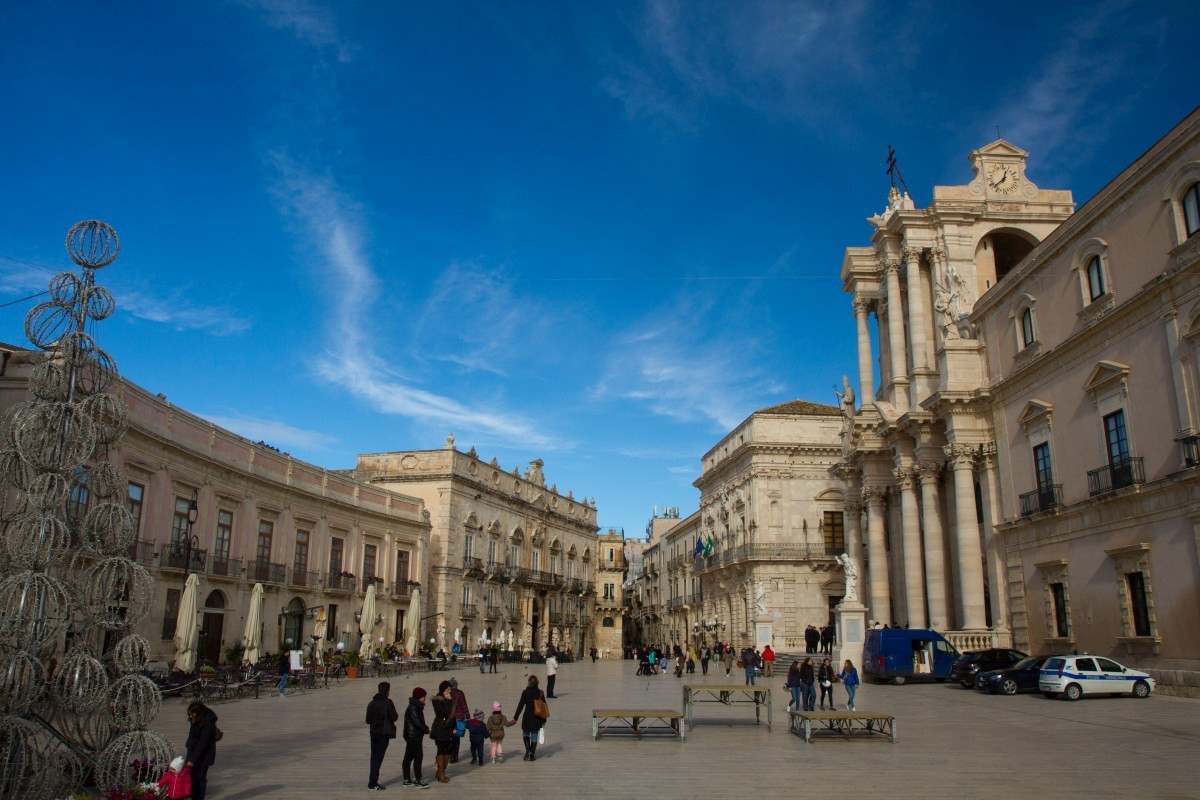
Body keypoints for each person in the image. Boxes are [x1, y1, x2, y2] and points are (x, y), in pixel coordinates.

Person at [365, 681, 399, 791]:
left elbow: (368, 720)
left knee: (374, 757)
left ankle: (372, 781)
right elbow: (394, 717)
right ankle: (373, 783)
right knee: (377, 759)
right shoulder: (388, 703)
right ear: (387, 691)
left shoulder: (371, 703)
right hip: (383, 734)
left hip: (373, 733)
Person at [184, 702, 218, 800]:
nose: (191, 716)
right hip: (193, 751)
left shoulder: (208, 722)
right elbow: (191, 735)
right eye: (189, 714)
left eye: (192, 714)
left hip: (205, 754)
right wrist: (189, 754)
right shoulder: (194, 719)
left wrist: (193, 759)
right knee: (193, 776)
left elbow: (203, 742)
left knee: (200, 777)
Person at [401, 687, 431, 788]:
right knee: (418, 757)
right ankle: (418, 780)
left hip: (411, 735)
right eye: (423, 696)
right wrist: (426, 729)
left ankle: (406, 779)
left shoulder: (415, 706)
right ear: (419, 697)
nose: (425, 698)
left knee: (408, 757)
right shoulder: (414, 707)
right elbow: (417, 722)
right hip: (414, 736)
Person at [513, 674, 547, 761]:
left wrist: (515, 717)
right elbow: (544, 707)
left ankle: (528, 750)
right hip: (537, 718)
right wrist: (544, 719)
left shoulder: (525, 692)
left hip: (527, 717)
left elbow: (520, 706)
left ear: (529, 683)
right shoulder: (540, 693)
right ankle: (532, 756)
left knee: (526, 734)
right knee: (534, 737)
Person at [430, 680, 456, 782]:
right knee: (441, 749)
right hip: (440, 728)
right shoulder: (437, 700)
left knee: (450, 748)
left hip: (449, 729)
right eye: (447, 690)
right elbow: (445, 712)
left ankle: (440, 772)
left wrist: (454, 727)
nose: (449, 692)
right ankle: (441, 774)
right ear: (442, 690)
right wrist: (449, 701)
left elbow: (453, 715)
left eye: (450, 690)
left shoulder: (450, 699)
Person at [448, 678, 470, 763]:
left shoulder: (447, 693)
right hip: (459, 718)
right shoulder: (460, 693)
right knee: (457, 738)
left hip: (450, 718)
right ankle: (456, 756)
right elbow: (464, 704)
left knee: (451, 738)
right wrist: (467, 714)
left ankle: (451, 756)